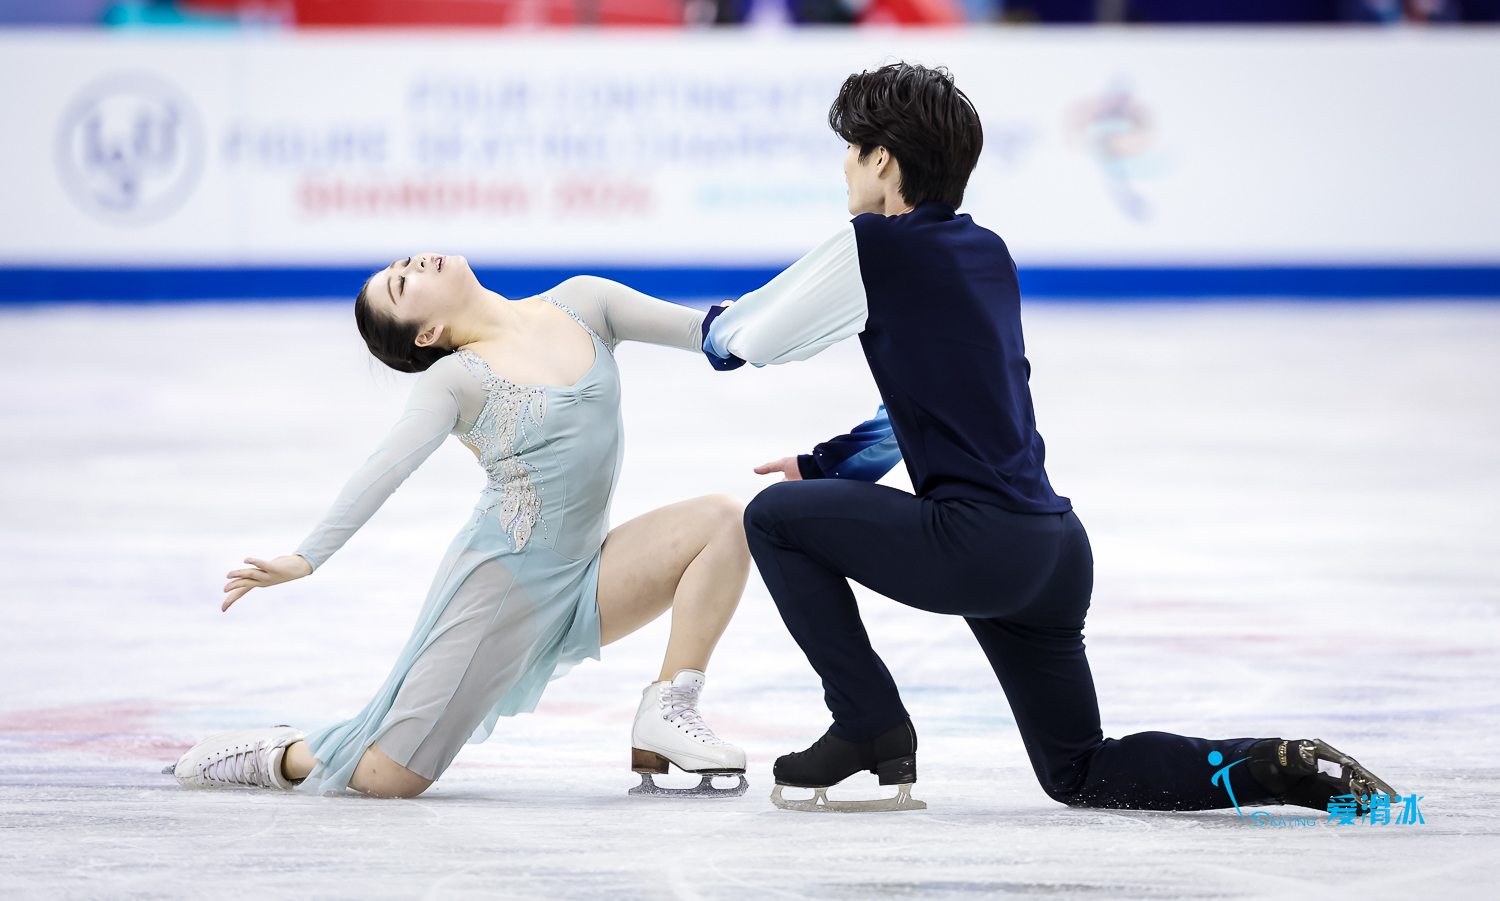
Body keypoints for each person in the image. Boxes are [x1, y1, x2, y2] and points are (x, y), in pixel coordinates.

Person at [702, 62, 1397, 813]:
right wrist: (826, 464)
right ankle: (1272, 765)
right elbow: (935, 396)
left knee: (771, 519)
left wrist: (708, 331)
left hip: (977, 542)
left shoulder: (875, 243)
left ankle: (868, 723)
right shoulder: (987, 250)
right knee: (1080, 772)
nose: (844, 165)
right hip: (1052, 549)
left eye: (853, 148)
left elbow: (751, 339)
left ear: (884, 160)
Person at [167, 258, 752, 799]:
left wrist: (771, 321)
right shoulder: (453, 380)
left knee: (723, 522)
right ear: (427, 335)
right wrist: (306, 557)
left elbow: (711, 333)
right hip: (502, 588)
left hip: (589, 571)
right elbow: (384, 469)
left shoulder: (585, 302)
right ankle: (276, 753)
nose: (413, 264)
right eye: (402, 284)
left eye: (401, 264)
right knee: (393, 777)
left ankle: (669, 710)